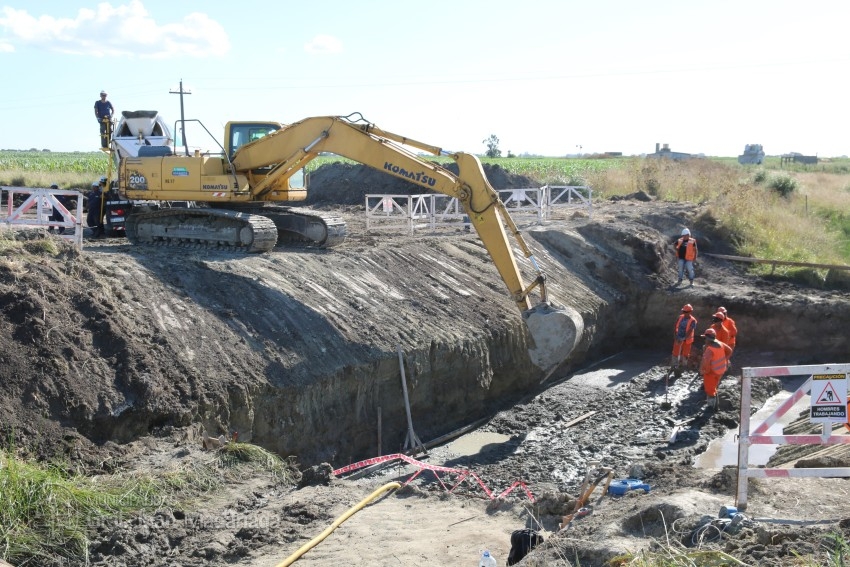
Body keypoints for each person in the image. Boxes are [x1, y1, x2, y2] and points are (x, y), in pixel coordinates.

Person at [699, 327, 732, 408]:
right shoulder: (720, 344)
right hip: (721, 370)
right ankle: (715, 405)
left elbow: (706, 363)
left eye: (705, 338)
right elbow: (730, 350)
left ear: (708, 339)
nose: (704, 340)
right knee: (714, 387)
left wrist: (703, 371)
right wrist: (726, 360)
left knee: (710, 390)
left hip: (712, 372)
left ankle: (711, 407)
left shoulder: (709, 350)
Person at [671, 303, 697, 372]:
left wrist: (683, 339)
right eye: (683, 312)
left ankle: (682, 367)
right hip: (678, 337)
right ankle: (674, 366)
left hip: (687, 340)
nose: (684, 313)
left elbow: (690, 331)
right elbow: (675, 326)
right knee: (675, 352)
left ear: (690, 312)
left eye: (686, 312)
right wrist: (675, 337)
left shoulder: (693, 320)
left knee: (685, 354)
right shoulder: (680, 317)